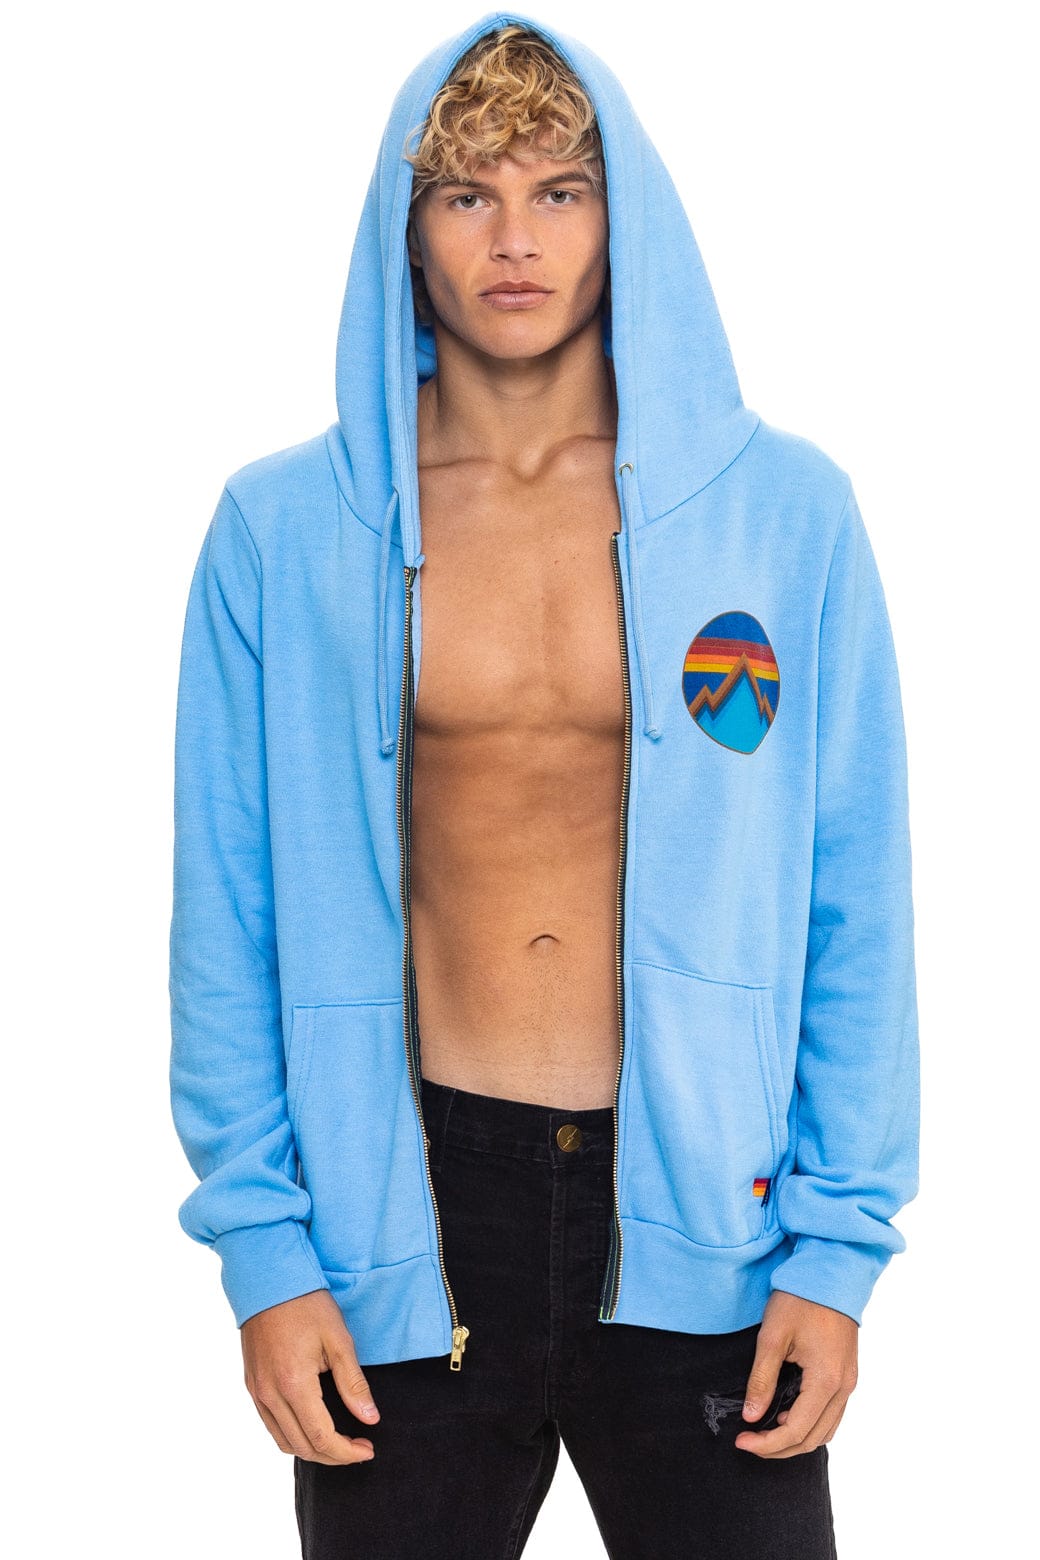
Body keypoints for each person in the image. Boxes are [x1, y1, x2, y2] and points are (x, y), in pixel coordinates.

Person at [168, 12, 920, 1558]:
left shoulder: (784, 515)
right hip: (404, 1221)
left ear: (622, 214)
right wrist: (267, 1255)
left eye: (560, 191)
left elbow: (856, 893)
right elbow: (226, 916)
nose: (515, 239)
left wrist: (836, 1251)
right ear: (407, 228)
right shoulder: (286, 532)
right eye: (468, 193)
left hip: (715, 1214)